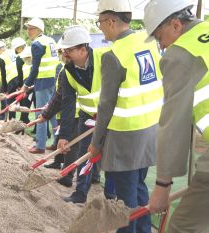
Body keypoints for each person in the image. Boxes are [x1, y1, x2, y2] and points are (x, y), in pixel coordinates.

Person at [87, 0, 163, 232]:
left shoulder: (113, 55)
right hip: (151, 128)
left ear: (111, 21)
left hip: (126, 137)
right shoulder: (147, 41)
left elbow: (106, 105)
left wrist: (96, 144)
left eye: (100, 22)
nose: (100, 27)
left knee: (124, 201)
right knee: (139, 188)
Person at [144, 1, 209, 232]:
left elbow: (174, 124)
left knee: (182, 227)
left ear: (175, 25)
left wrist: (162, 185)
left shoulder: (180, 55)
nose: (161, 46)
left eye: (159, 37)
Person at [56, 26, 107, 203]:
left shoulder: (104, 59)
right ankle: (80, 194)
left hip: (112, 117)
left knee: (112, 157)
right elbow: (68, 105)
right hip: (87, 117)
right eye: (64, 50)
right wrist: (64, 136)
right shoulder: (68, 72)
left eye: (68, 50)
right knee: (85, 154)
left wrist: (106, 114)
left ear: (83, 50)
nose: (64, 54)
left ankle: (111, 197)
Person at [39, 47, 79, 187]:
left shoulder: (69, 71)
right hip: (68, 110)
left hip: (75, 112)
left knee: (70, 145)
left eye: (64, 52)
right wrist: (47, 112)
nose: (63, 55)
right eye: (62, 52)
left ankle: (67, 177)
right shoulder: (66, 69)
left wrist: (47, 113)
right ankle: (58, 162)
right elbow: (58, 94)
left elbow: (60, 95)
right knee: (63, 140)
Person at [20, 17, 58, 154]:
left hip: (43, 81)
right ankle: (57, 142)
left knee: (40, 113)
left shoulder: (37, 44)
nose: (28, 31)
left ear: (39, 30)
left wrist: (26, 85)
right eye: (28, 28)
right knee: (52, 111)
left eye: (31, 28)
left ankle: (40, 145)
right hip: (54, 80)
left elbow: (34, 69)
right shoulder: (50, 41)